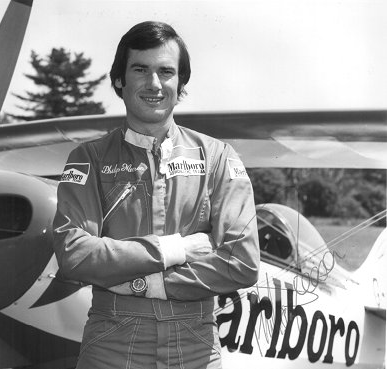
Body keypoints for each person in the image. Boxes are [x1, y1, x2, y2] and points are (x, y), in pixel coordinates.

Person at [52, 21, 260, 369]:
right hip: (111, 344)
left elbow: (242, 261)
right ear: (119, 79)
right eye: (140, 70)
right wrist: (175, 249)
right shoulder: (88, 159)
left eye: (166, 72)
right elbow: (74, 255)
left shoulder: (218, 157)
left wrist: (141, 284)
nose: (154, 84)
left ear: (181, 85)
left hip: (195, 344)